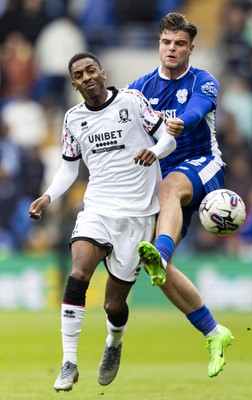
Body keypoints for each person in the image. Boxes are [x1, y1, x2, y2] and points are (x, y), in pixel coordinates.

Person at [29, 51, 176, 391]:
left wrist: (154, 151)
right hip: (97, 209)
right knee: (78, 272)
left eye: (91, 70)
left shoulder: (132, 101)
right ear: (74, 84)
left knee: (113, 304)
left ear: (103, 72)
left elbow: (168, 137)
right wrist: (49, 195)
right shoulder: (72, 119)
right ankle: (69, 362)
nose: (87, 77)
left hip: (138, 216)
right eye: (79, 74)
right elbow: (69, 166)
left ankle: (114, 340)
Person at [127, 12, 234, 378]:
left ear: (191, 48)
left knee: (169, 188)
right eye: (166, 43)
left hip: (203, 164)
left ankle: (162, 251)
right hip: (163, 173)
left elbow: (196, 111)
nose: (172, 49)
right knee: (161, 271)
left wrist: (178, 122)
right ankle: (214, 331)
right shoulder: (139, 88)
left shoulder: (204, 81)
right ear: (159, 44)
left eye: (179, 44)